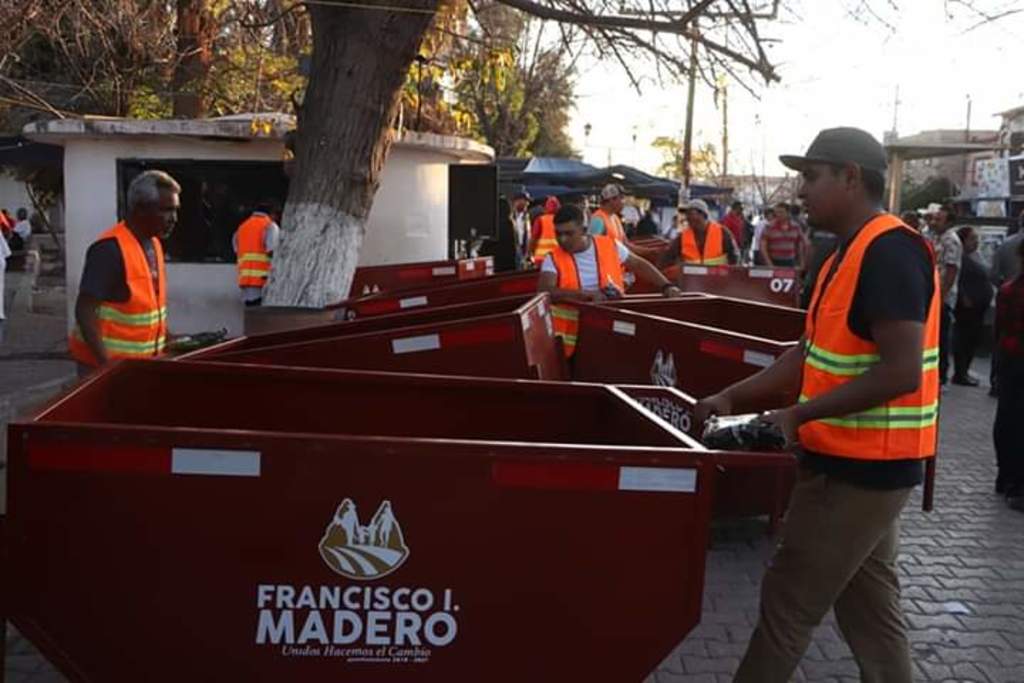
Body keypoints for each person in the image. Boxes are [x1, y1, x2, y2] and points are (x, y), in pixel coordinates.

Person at [696, 127, 938, 683]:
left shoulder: (890, 251)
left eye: (811, 176)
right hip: (856, 464)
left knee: (787, 607)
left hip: (858, 471)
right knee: (871, 612)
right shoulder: (841, 256)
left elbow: (901, 371)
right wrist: (733, 395)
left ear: (851, 178)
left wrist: (798, 416)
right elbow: (806, 352)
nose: (801, 191)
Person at [69, 170, 180, 373]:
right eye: (166, 210)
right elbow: (84, 311)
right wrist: (107, 367)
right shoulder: (108, 250)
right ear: (140, 209)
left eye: (175, 210)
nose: (174, 218)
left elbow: (147, 308)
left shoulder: (154, 244)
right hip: (104, 369)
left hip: (138, 366)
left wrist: (169, 339)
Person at [538, 205, 682, 358]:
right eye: (558, 234)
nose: (562, 239)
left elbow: (638, 264)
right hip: (572, 338)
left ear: (584, 230)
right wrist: (585, 295)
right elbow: (546, 290)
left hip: (611, 327)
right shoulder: (552, 258)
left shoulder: (609, 246)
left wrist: (666, 286)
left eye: (569, 233)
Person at [994, 238, 1024, 507]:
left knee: (1007, 418)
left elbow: (1001, 327)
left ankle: (1005, 476)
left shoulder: (1008, 290)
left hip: (1011, 358)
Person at [951, 226, 993, 386]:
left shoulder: (976, 257)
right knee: (964, 340)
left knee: (972, 340)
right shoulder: (959, 258)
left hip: (978, 307)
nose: (976, 242)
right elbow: (957, 278)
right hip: (967, 308)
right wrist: (963, 297)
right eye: (972, 239)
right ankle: (960, 373)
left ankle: (965, 371)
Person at [989, 222, 1024, 395]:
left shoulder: (1005, 244)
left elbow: (994, 273)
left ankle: (995, 382)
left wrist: (1003, 285)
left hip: (1011, 348)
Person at [930, 203, 962, 386]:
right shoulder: (935, 237)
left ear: (949, 222)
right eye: (934, 218)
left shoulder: (951, 240)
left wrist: (941, 297)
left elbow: (951, 270)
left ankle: (941, 374)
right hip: (933, 293)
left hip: (943, 298)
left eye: (938, 219)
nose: (934, 222)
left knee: (941, 336)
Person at [660, 199, 740, 268]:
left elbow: (735, 257)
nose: (687, 217)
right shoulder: (683, 237)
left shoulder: (722, 232)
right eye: (687, 214)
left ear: (703, 214)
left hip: (717, 278)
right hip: (692, 279)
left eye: (691, 213)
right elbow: (666, 258)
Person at [233, 203, 281, 307]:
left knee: (250, 312)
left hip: (245, 281)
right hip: (263, 280)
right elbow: (273, 251)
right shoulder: (270, 226)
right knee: (262, 314)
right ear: (272, 214)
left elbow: (236, 250)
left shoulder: (242, 228)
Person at [760, 202, 808, 269]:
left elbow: (800, 245)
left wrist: (802, 263)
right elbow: (763, 247)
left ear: (788, 213)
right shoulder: (769, 227)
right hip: (774, 261)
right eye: (776, 212)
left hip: (791, 261)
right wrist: (769, 264)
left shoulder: (796, 227)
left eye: (781, 212)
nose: (778, 215)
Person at [529, 195, 561, 266]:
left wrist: (529, 253)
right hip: (558, 257)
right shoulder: (562, 220)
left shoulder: (540, 220)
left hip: (541, 257)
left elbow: (533, 238)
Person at [510, 189, 532, 270]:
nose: (527, 204)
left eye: (527, 202)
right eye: (525, 201)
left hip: (523, 250)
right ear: (516, 201)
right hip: (513, 249)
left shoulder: (527, 217)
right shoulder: (510, 216)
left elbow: (528, 235)